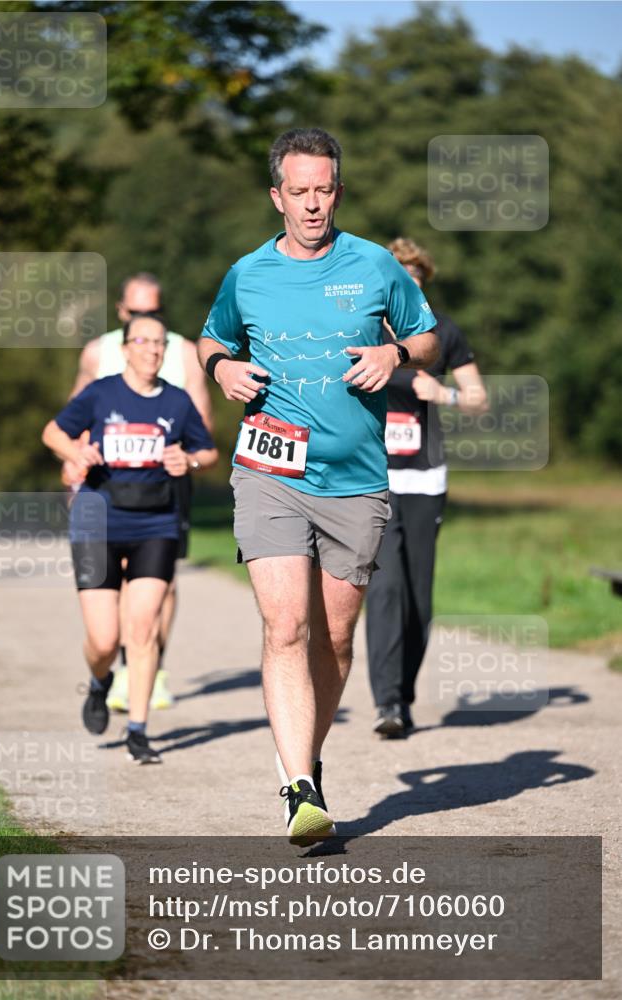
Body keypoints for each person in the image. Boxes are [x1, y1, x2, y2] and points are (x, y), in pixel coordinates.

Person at [197, 128, 438, 843]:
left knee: (333, 639)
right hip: (269, 470)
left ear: (338, 190)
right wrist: (221, 370)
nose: (311, 204)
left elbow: (427, 338)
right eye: (297, 191)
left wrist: (392, 350)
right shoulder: (247, 273)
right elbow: (212, 338)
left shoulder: (373, 265)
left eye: (323, 189)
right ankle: (296, 783)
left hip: (356, 481)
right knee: (285, 627)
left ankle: (310, 753)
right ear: (276, 195)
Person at [43, 315, 217, 764]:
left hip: (155, 523)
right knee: (105, 640)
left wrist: (189, 461)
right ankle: (100, 682)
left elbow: (208, 450)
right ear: (125, 348)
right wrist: (75, 451)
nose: (153, 350)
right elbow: (53, 431)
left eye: (160, 343)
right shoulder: (101, 393)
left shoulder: (177, 401)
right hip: (96, 522)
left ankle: (138, 730)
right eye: (143, 341)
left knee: (141, 630)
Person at [67, 272, 214, 715]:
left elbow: (202, 421)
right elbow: (74, 419)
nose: (147, 322)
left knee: (161, 585)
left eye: (153, 312)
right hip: (108, 487)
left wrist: (186, 457)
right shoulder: (99, 352)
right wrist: (74, 466)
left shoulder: (184, 351)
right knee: (105, 624)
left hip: (167, 484)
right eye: (136, 313)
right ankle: (111, 669)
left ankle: (152, 667)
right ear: (121, 313)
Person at [366, 238, 488, 738]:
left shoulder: (443, 333)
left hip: (426, 477)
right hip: (374, 477)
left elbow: (479, 399)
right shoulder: (365, 332)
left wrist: (446, 394)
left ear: (424, 282)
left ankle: (404, 695)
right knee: (386, 586)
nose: (408, 284)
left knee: (419, 597)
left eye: (416, 277)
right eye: (400, 276)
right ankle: (388, 702)